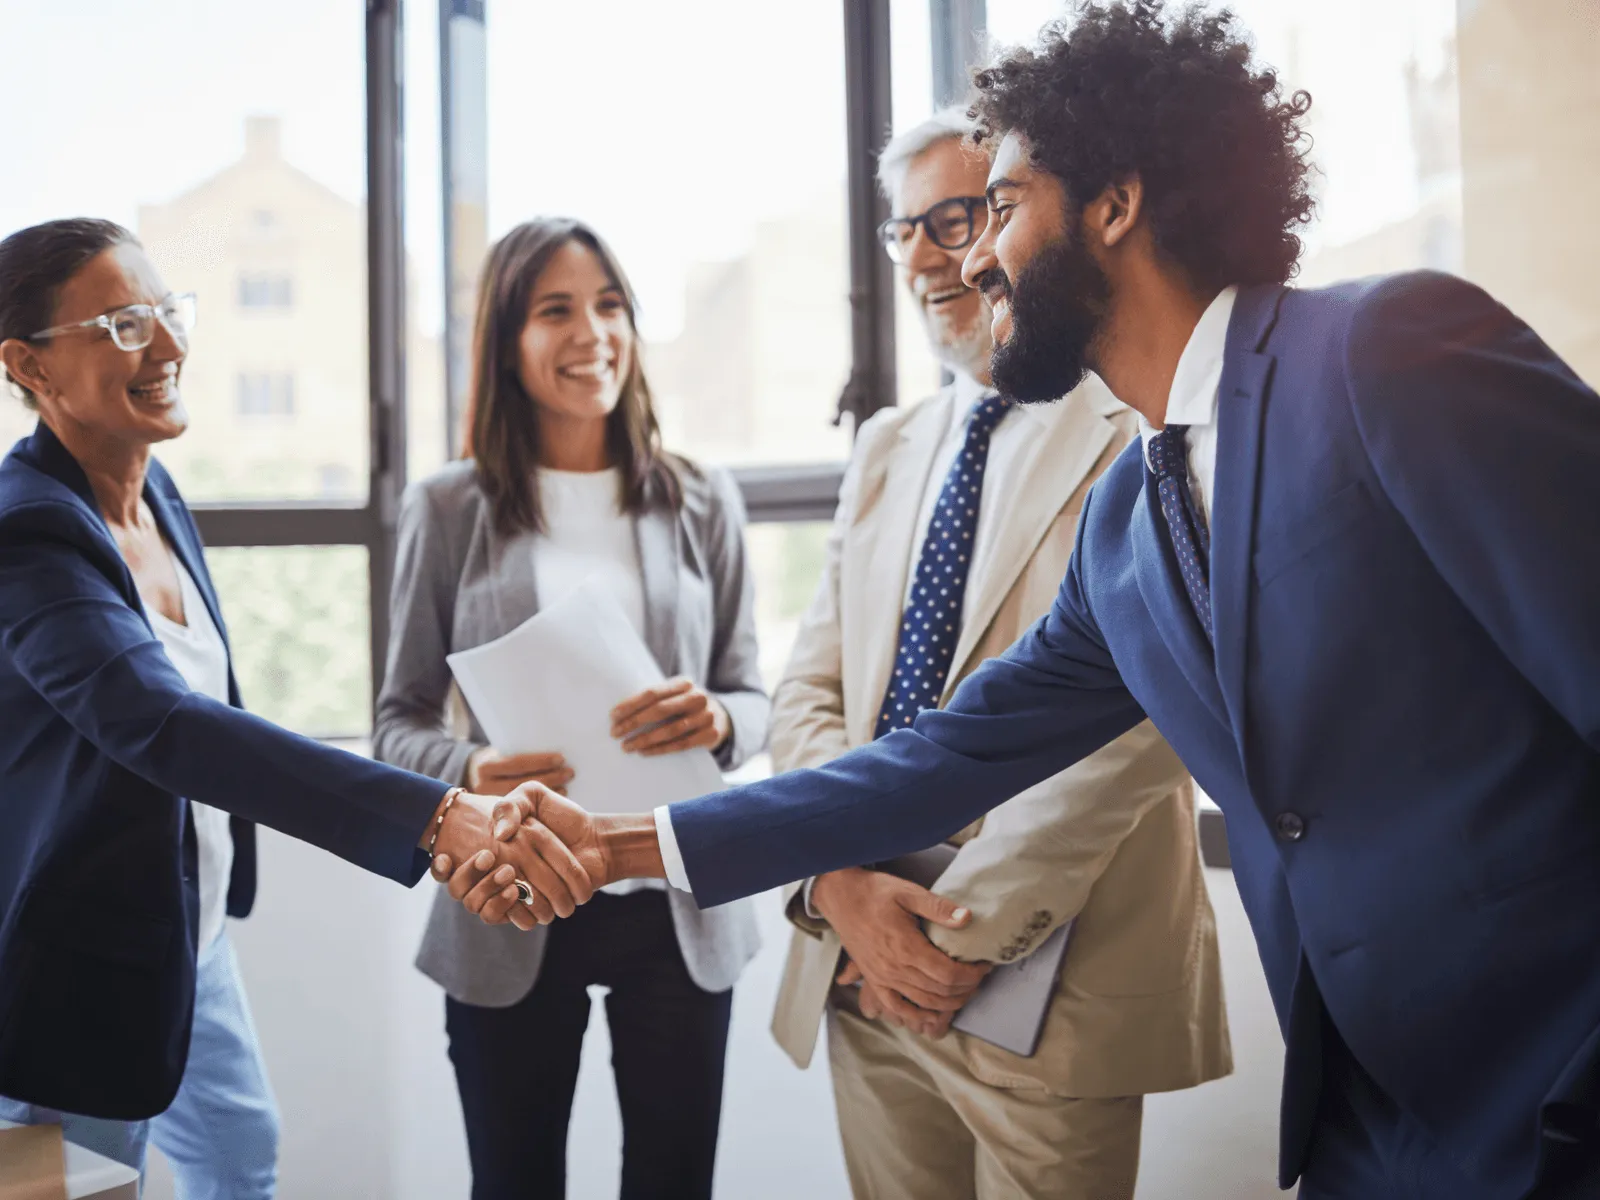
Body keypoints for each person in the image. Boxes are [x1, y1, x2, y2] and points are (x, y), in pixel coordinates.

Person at [442, 3, 1600, 1197]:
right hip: (1375, 1116)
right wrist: (626, 843)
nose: (970, 257)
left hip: (1555, 1073)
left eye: (996, 207)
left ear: (1114, 204)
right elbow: (940, 758)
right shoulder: (1128, 526)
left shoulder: (1381, 352)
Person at [0, 218, 588, 1190]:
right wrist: (437, 813)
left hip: (184, 938)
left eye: (165, 312)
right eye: (121, 325)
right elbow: (165, 726)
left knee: (241, 1160)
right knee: (86, 1185)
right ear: (29, 365)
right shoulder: (28, 537)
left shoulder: (156, 493)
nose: (169, 347)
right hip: (79, 959)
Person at [766, 108, 1229, 1200]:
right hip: (857, 970)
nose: (932, 256)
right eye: (903, 230)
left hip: (1049, 985)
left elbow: (1146, 716)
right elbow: (810, 690)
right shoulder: (888, 444)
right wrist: (839, 887)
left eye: (957, 216)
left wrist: (955, 938)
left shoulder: (1135, 419)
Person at [373, 217, 766, 1200]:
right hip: (508, 894)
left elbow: (756, 695)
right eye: (555, 310)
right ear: (507, 339)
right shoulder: (449, 507)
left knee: (672, 1184)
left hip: (672, 895)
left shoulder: (701, 499)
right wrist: (466, 770)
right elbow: (396, 720)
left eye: (609, 304)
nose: (591, 331)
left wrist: (719, 722)